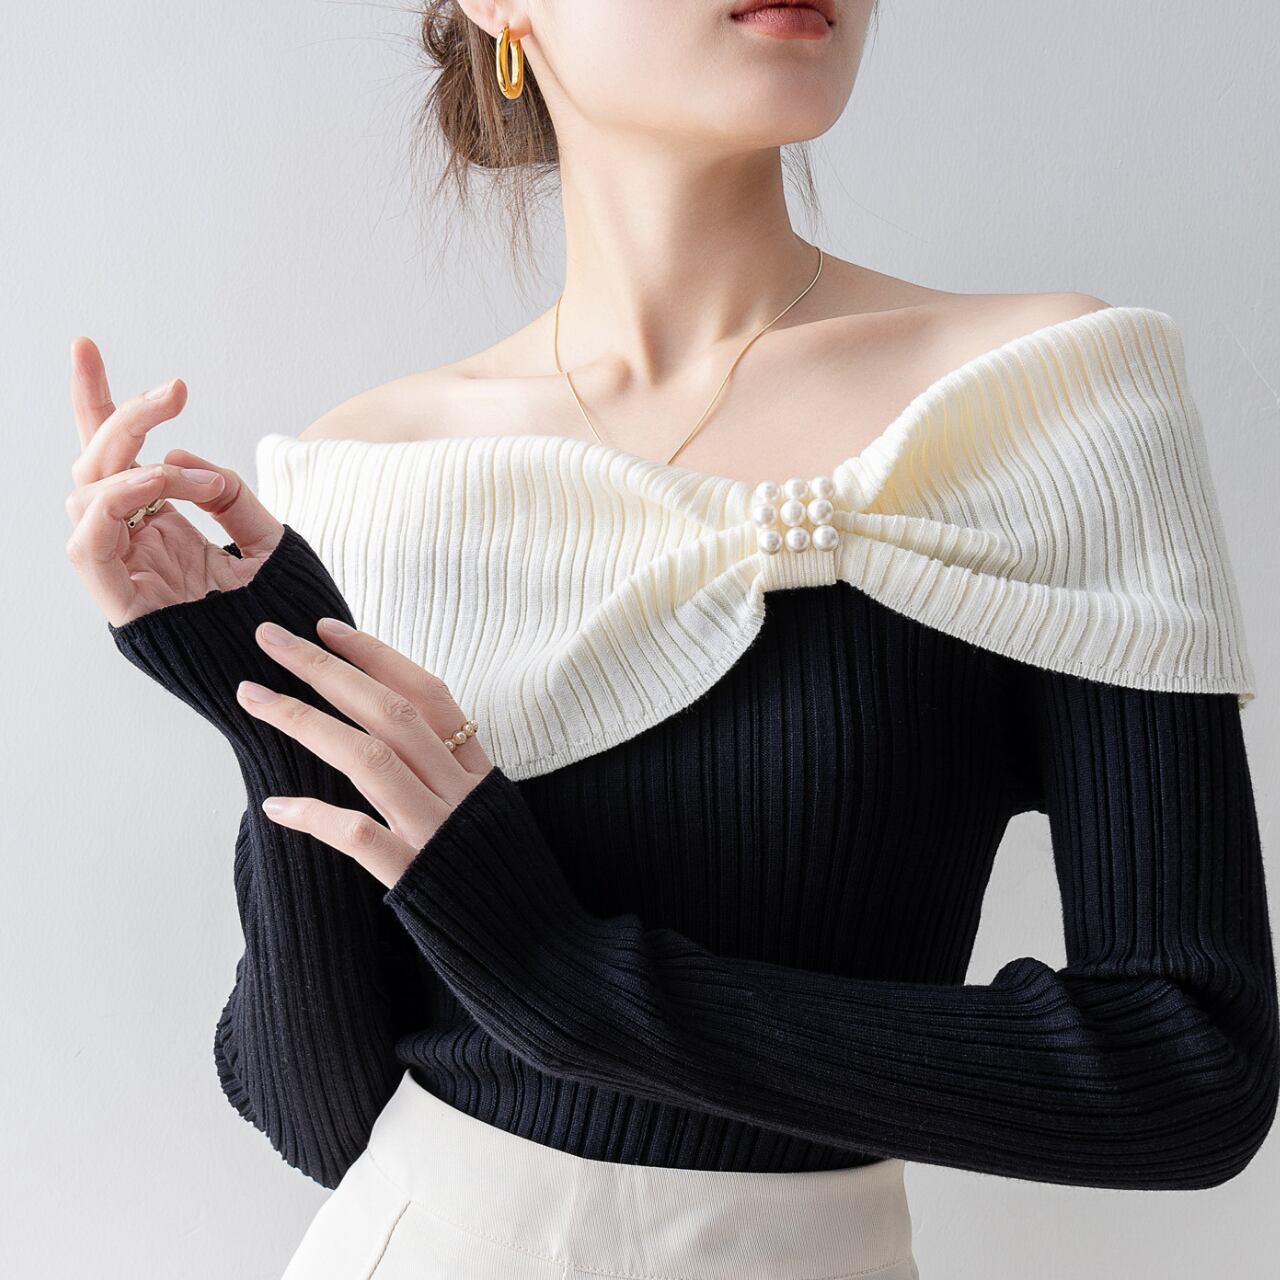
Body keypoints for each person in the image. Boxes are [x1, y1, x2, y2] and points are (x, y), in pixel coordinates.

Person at [66, 3, 1277, 1277]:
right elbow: (321, 1117)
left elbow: (1187, 1067)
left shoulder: (1041, 397)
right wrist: (258, 704)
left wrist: (566, 982)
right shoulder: (371, 468)